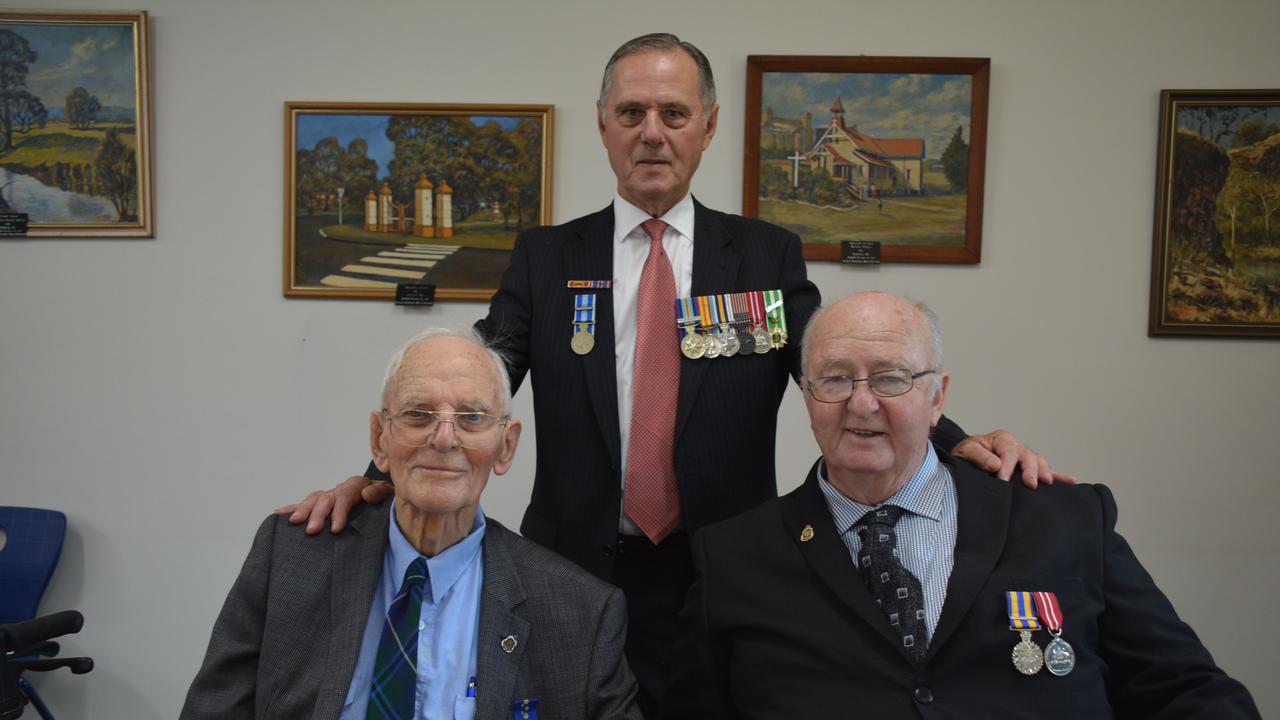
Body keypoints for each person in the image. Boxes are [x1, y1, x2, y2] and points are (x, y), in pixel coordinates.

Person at [279, 33, 1069, 715]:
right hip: (574, 573)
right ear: (603, 126)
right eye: (631, 114)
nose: (651, 133)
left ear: (708, 127)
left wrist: (953, 439)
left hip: (727, 572)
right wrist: (381, 472)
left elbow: (839, 371)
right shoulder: (548, 258)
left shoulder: (763, 255)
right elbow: (476, 377)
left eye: (674, 114)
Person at [659, 291, 1259, 719]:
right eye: (836, 379)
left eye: (892, 379)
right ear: (808, 396)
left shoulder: (1062, 520)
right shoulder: (735, 558)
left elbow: (1188, 692)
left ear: (938, 396)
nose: (861, 404)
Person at [182, 329, 641, 720]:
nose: (444, 439)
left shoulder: (580, 612)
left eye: (472, 417)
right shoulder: (290, 559)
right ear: (379, 440)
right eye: (418, 414)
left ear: (505, 447)